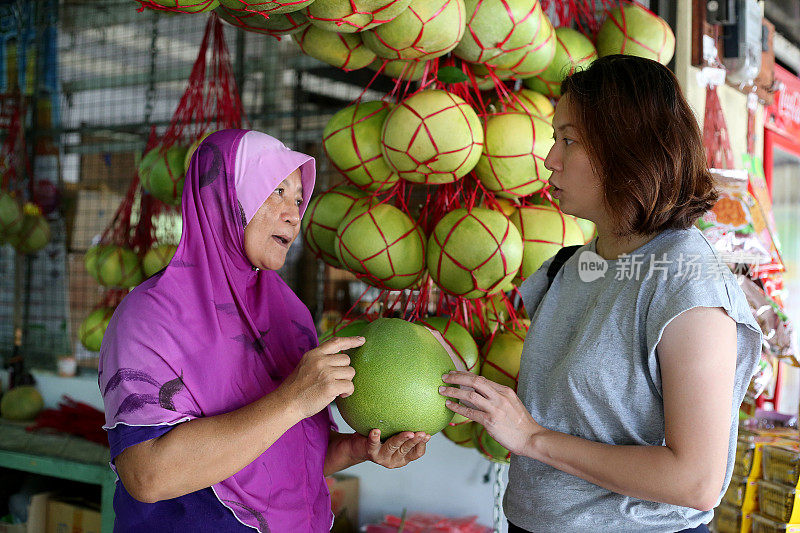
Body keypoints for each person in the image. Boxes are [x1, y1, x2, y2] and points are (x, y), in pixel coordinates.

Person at [439, 55, 762, 532]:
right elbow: (574, 408)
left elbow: (694, 479)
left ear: (627, 149)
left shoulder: (687, 283)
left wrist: (531, 439)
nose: (550, 159)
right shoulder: (577, 266)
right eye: (555, 139)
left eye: (568, 140)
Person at [99, 130, 431, 533]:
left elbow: (286, 454)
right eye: (276, 190)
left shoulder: (290, 315)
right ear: (222, 196)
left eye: (297, 197)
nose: (294, 213)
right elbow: (148, 476)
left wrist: (360, 449)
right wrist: (294, 399)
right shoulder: (151, 316)